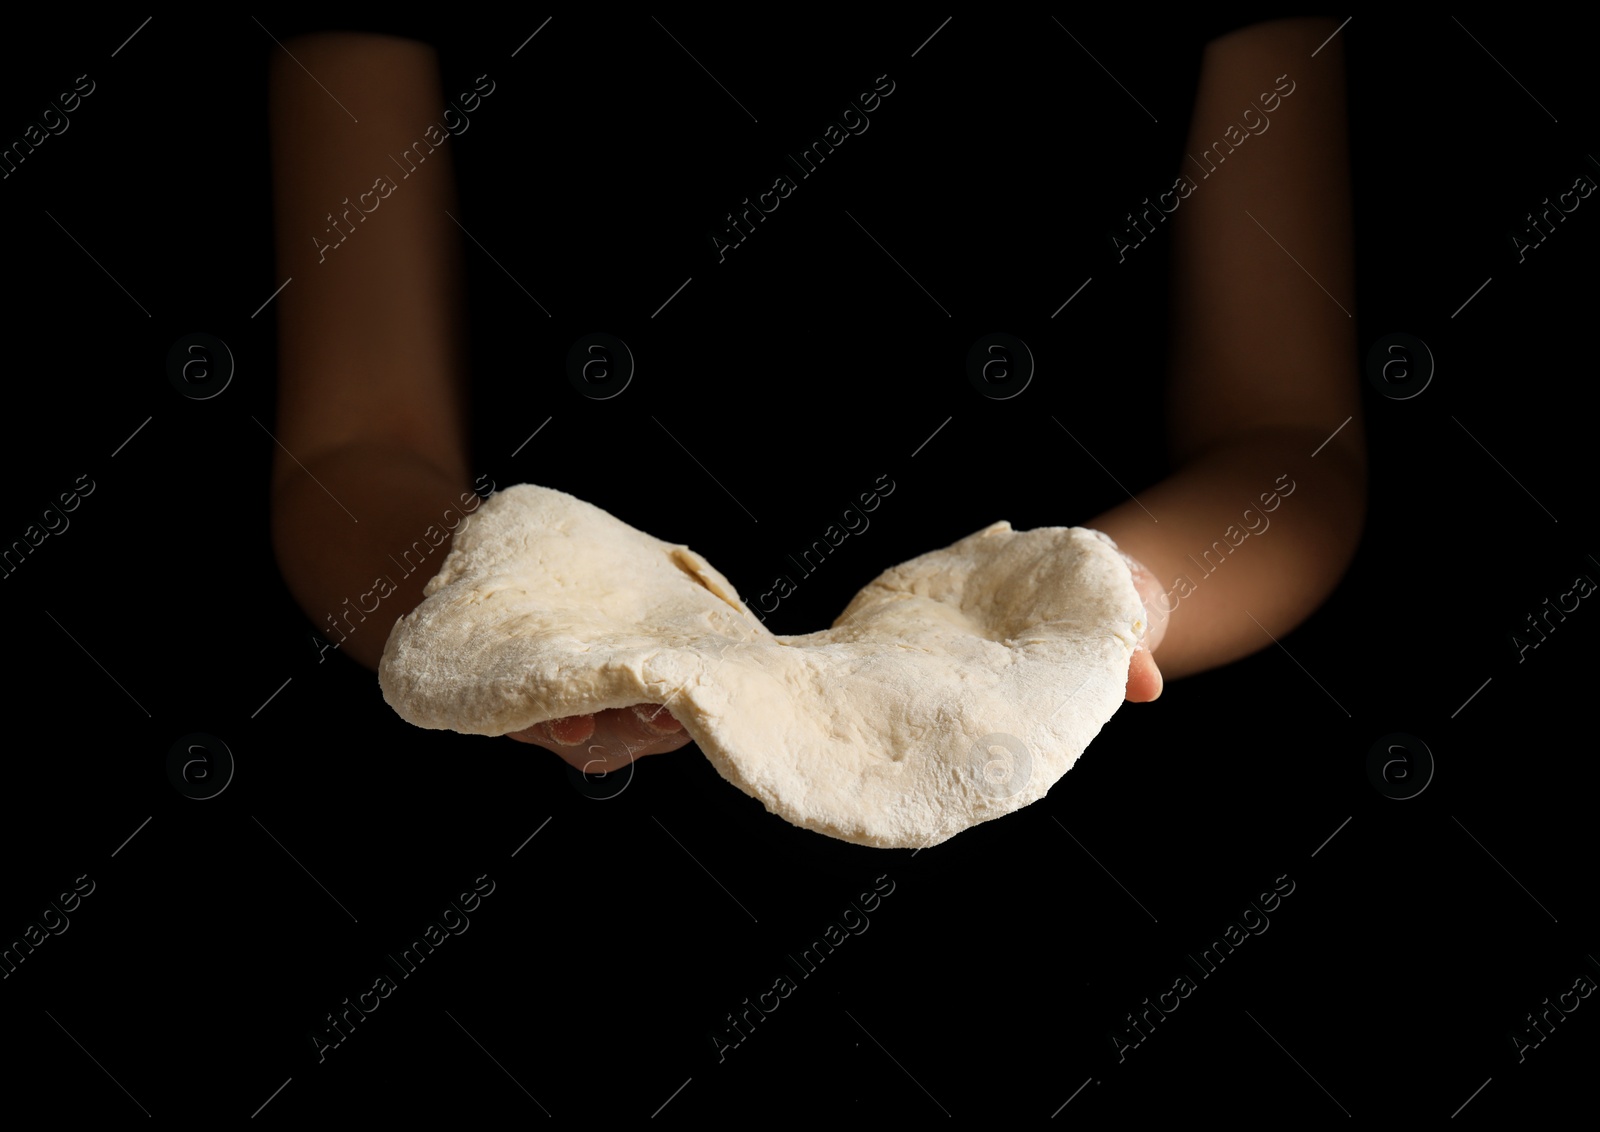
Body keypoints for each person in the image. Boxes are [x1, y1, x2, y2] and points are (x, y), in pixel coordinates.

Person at [267, 17, 1363, 773]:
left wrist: (1111, 597)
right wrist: (492, 616)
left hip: (1071, 796)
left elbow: (1289, 439)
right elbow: (355, 441)